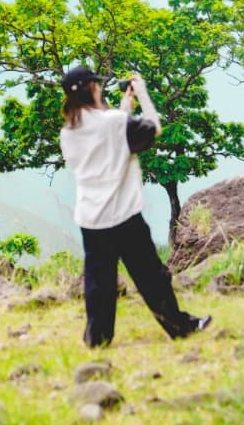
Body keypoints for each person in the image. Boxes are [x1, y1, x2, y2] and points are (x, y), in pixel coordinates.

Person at [59, 64, 210, 347]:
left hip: (91, 220)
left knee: (99, 285)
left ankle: (98, 339)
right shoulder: (113, 122)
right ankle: (179, 326)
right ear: (92, 88)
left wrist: (124, 105)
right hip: (124, 217)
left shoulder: (69, 132)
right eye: (97, 84)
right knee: (152, 277)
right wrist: (141, 93)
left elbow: (110, 136)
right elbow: (152, 129)